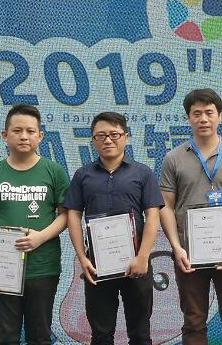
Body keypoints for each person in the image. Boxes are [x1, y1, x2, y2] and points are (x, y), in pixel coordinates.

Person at [159, 89, 222, 344]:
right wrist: (176, 247)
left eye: (209, 113)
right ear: (188, 118)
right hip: (188, 254)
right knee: (193, 322)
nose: (203, 119)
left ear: (219, 116)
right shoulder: (173, 158)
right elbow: (165, 206)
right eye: (197, 113)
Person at [0, 103, 69, 344]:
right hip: (2, 269)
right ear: (5, 135)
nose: (24, 136)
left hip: (43, 268)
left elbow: (66, 216)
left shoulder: (54, 171)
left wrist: (41, 237)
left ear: (40, 136)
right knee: (5, 336)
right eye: (17, 130)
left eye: (30, 131)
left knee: (40, 336)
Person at [64, 112, 163, 345]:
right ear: (93, 140)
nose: (108, 140)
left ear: (126, 137)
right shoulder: (83, 175)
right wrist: (82, 258)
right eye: (101, 136)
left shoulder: (143, 173)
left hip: (137, 265)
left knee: (140, 335)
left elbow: (153, 216)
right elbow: (73, 215)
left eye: (114, 134)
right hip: (97, 267)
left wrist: (143, 257)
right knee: (101, 335)